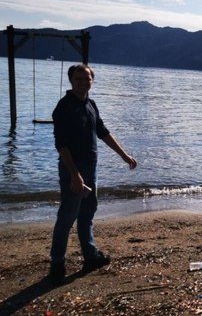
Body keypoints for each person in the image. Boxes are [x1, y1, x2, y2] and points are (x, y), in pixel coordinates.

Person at [48, 64, 137, 285]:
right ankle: (57, 263)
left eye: (86, 78)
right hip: (73, 170)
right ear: (71, 81)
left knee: (87, 214)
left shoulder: (90, 104)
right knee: (67, 217)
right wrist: (74, 176)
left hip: (91, 169)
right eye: (78, 78)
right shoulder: (64, 107)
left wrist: (124, 156)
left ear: (91, 81)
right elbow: (62, 145)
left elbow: (103, 132)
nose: (82, 82)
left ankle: (90, 256)